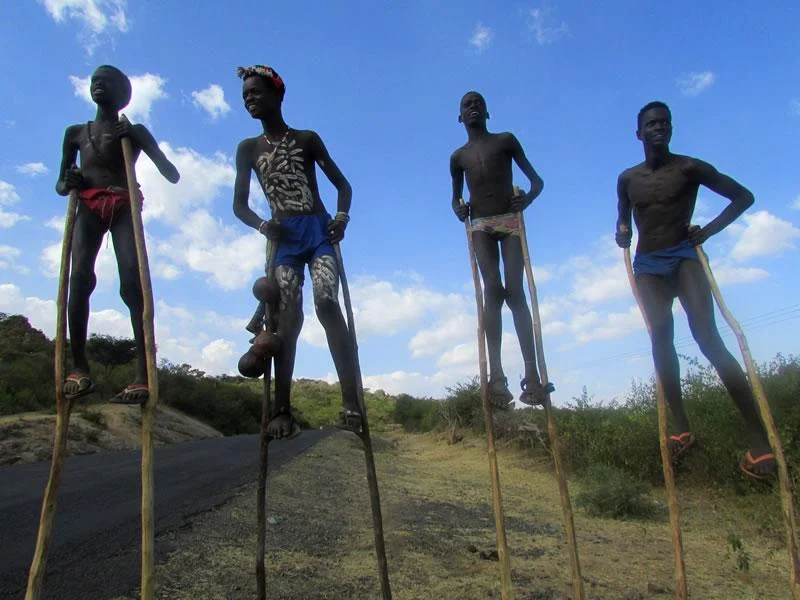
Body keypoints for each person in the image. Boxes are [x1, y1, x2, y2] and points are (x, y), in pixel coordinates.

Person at [616, 100, 774, 480]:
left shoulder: (689, 168)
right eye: (651, 124)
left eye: (665, 123)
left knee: (708, 337)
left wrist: (708, 230)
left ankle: (760, 442)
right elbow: (623, 216)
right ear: (639, 133)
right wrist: (621, 231)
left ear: (671, 129)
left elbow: (743, 197)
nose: (659, 128)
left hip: (684, 256)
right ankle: (682, 427)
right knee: (660, 332)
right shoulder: (628, 179)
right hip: (649, 265)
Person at [232, 64, 361, 439]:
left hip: (318, 231)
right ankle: (282, 410)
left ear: (276, 95)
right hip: (283, 239)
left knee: (327, 303)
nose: (249, 101)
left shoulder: (307, 139)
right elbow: (239, 205)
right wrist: (262, 225)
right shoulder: (248, 149)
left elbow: (343, 185)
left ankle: (351, 402)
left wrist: (342, 218)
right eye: (245, 97)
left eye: (255, 93)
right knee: (286, 321)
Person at [56, 65, 180, 404]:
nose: (98, 85)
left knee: (131, 283)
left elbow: (172, 174)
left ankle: (142, 375)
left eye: (106, 82)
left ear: (122, 94)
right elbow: (60, 183)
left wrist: (137, 138)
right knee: (79, 277)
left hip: (123, 204)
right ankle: (79, 367)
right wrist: (70, 181)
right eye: (94, 80)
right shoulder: (75, 133)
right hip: (88, 205)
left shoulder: (133, 130)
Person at [450, 91, 549, 408]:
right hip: (480, 224)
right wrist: (458, 207)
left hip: (509, 221)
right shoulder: (458, 158)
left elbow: (536, 181)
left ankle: (532, 377)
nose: (473, 107)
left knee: (515, 291)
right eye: (467, 105)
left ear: (488, 112)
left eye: (478, 103)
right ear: (459, 117)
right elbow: (455, 198)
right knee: (492, 289)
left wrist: (528, 199)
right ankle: (497, 379)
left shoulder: (505, 141)